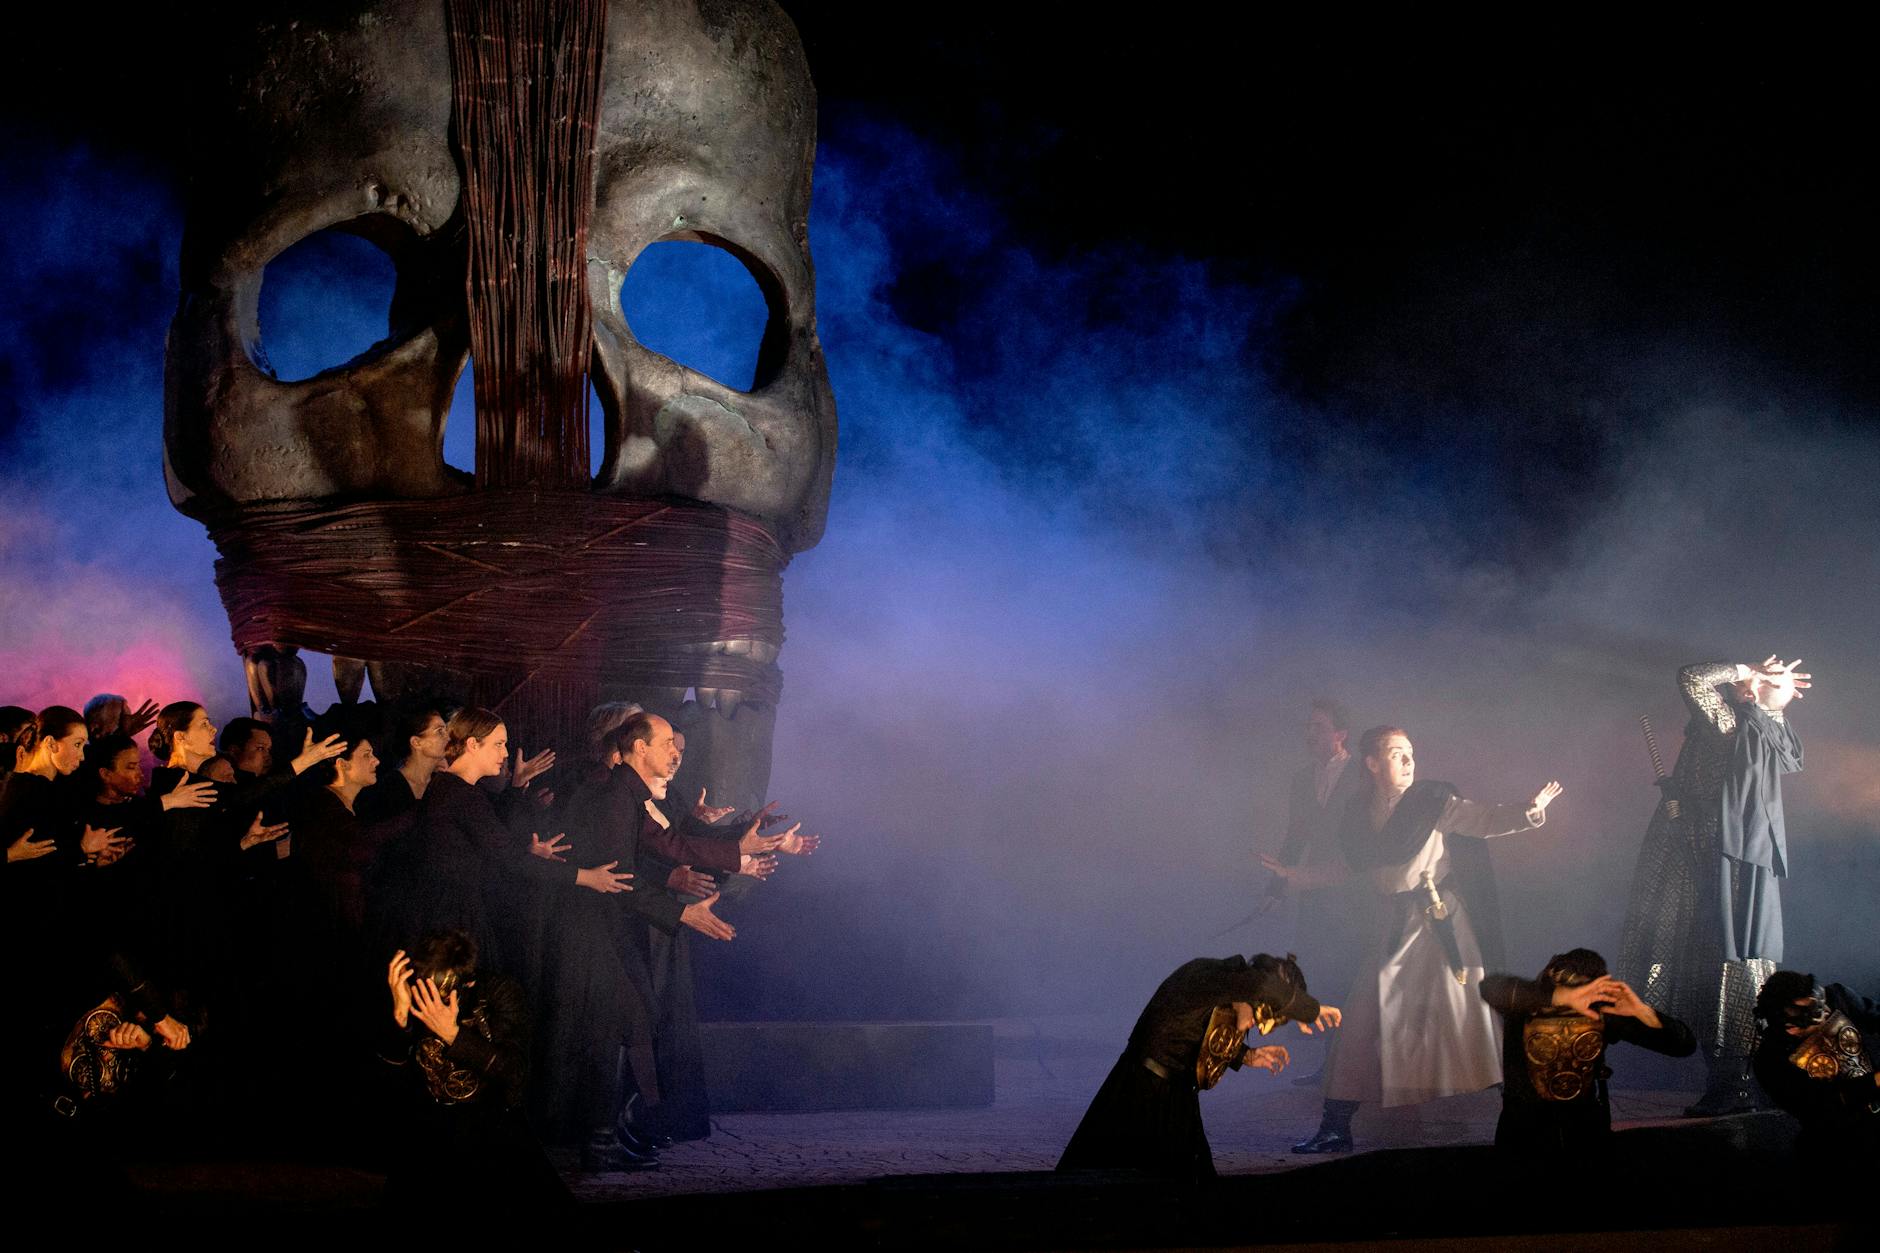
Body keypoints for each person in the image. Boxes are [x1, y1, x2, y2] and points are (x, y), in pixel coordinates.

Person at [1268, 725, 1563, 1153]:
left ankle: (1529, 1113)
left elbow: (1481, 818)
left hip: (1442, 928)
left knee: (1478, 1024)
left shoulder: (1431, 801)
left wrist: (1529, 811)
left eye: (1410, 752)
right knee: (1363, 1020)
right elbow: (1347, 866)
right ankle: (1335, 1126)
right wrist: (1295, 877)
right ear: (1371, 763)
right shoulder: (1358, 814)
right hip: (1394, 928)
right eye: (1395, 753)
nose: (1408, 760)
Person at [1617, 657, 1809, 1115]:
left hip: (1721, 868)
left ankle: (1736, 1084)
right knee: (1712, 971)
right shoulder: (1754, 728)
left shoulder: (1738, 726)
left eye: (1761, 684)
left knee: (1727, 969)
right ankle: (1733, 1083)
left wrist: (1747, 669)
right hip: (1714, 862)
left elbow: (1691, 677)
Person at [1057, 953, 1337, 1177]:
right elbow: (1260, 985)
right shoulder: (1210, 976)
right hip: (1141, 1093)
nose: (1262, 1028)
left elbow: (1195, 1032)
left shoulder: (1221, 992)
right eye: (1267, 1014)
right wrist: (1310, 1010)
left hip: (1173, 1095)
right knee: (1098, 1181)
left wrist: (1244, 1056)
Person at [376, 931, 568, 1208]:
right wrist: (400, 1020)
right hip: (431, 1135)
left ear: (469, 981)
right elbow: (387, 1091)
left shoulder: (499, 993)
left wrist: (454, 1035)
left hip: (492, 1134)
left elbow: (515, 1074)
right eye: (425, 991)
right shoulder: (410, 992)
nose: (431, 1003)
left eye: (441, 993)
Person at [1480, 948, 1695, 1158]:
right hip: (1523, 1135)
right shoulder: (1523, 1006)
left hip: (1583, 1134)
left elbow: (1683, 1046)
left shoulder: (1599, 1012)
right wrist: (1558, 996)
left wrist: (1644, 1013)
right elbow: (1491, 987)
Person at [1263, 697, 1369, 1086]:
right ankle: (1332, 1066)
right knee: (1321, 970)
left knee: (1352, 973)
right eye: (1308, 727)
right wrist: (1277, 886)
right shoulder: (1301, 779)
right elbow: (1296, 837)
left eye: (1318, 727)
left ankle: (1354, 1067)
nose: (1310, 734)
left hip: (1356, 890)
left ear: (1341, 735)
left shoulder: (1363, 772)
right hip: (1316, 889)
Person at [1751, 970, 1877, 1166]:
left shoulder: (1838, 998)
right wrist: (1874, 1083)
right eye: (1814, 1014)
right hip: (1836, 1146)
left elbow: (1875, 1016)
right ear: (1789, 1025)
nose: (1826, 1014)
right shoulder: (1771, 1060)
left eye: (1822, 1006)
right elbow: (1822, 1107)